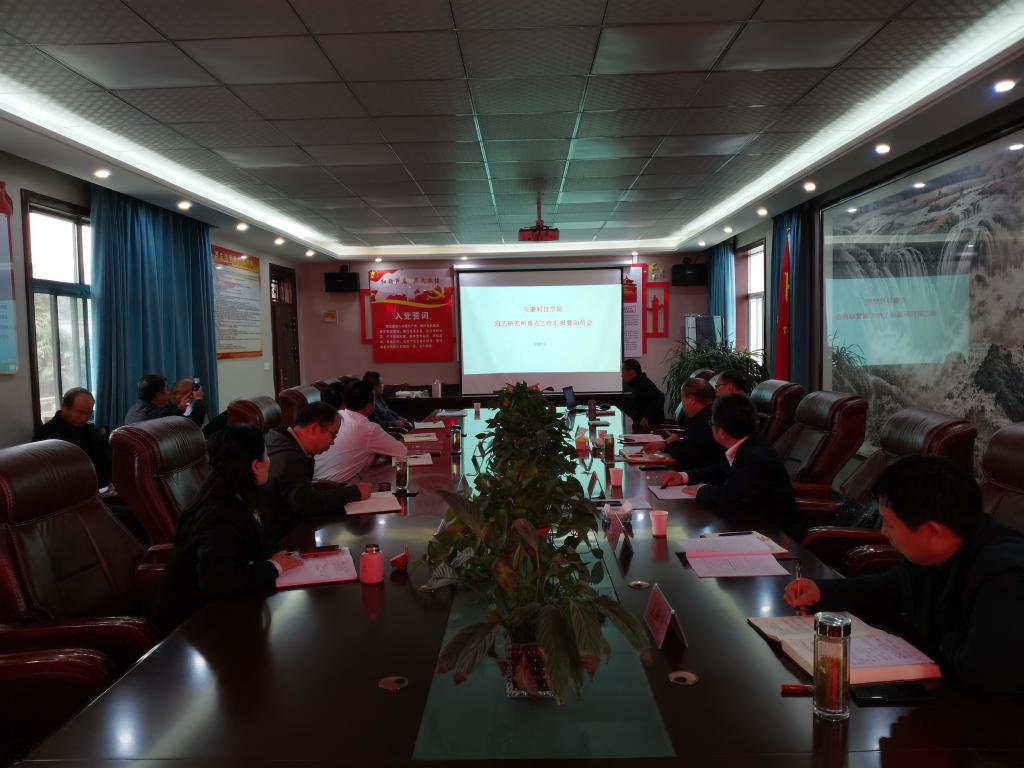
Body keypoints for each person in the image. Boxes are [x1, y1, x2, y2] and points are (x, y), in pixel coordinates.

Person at [784, 455, 1024, 699]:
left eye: (889, 524)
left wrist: (942, 633)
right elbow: (893, 587)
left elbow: (985, 673)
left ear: (931, 531)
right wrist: (823, 591)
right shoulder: (939, 550)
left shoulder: (1005, 577)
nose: (883, 532)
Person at [153, 426, 302, 633]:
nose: (269, 461)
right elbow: (219, 583)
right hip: (192, 626)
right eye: (266, 455)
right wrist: (273, 566)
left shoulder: (240, 495)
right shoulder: (219, 514)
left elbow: (259, 537)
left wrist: (276, 555)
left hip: (223, 608)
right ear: (255, 466)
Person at [660, 394, 799, 535]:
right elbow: (720, 470)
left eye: (711, 424)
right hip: (753, 522)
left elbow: (730, 496)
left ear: (721, 432)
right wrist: (684, 477)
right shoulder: (750, 445)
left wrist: (700, 489)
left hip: (775, 534)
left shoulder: (753, 457)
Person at [261, 402, 371, 538]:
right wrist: (354, 492)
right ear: (314, 428)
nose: (333, 442)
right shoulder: (288, 457)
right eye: (333, 434)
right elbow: (306, 503)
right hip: (282, 536)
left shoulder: (282, 439)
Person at [315, 379, 408, 484]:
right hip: (340, 488)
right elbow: (401, 452)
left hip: (313, 485)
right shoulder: (369, 429)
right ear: (368, 407)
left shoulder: (335, 416)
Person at [35, 387, 112, 487]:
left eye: (89, 413)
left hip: (101, 485)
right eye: (80, 412)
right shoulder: (46, 435)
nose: (84, 418)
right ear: (64, 407)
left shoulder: (89, 430)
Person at [642, 378, 724, 471]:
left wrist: (670, 442)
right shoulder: (715, 412)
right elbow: (689, 446)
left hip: (702, 474)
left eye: (682, 399)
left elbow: (681, 453)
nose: (682, 404)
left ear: (692, 399)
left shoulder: (702, 419)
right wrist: (666, 444)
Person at [124, 374, 205, 427]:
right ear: (158, 395)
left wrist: (178, 409)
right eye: (166, 390)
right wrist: (199, 399)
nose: (169, 393)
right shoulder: (160, 415)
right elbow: (191, 426)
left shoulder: (133, 410)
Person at [622, 359, 665, 431]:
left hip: (651, 428)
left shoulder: (644, 383)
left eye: (623, 372)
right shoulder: (637, 384)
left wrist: (646, 417)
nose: (622, 375)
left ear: (631, 372)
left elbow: (660, 398)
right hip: (642, 426)